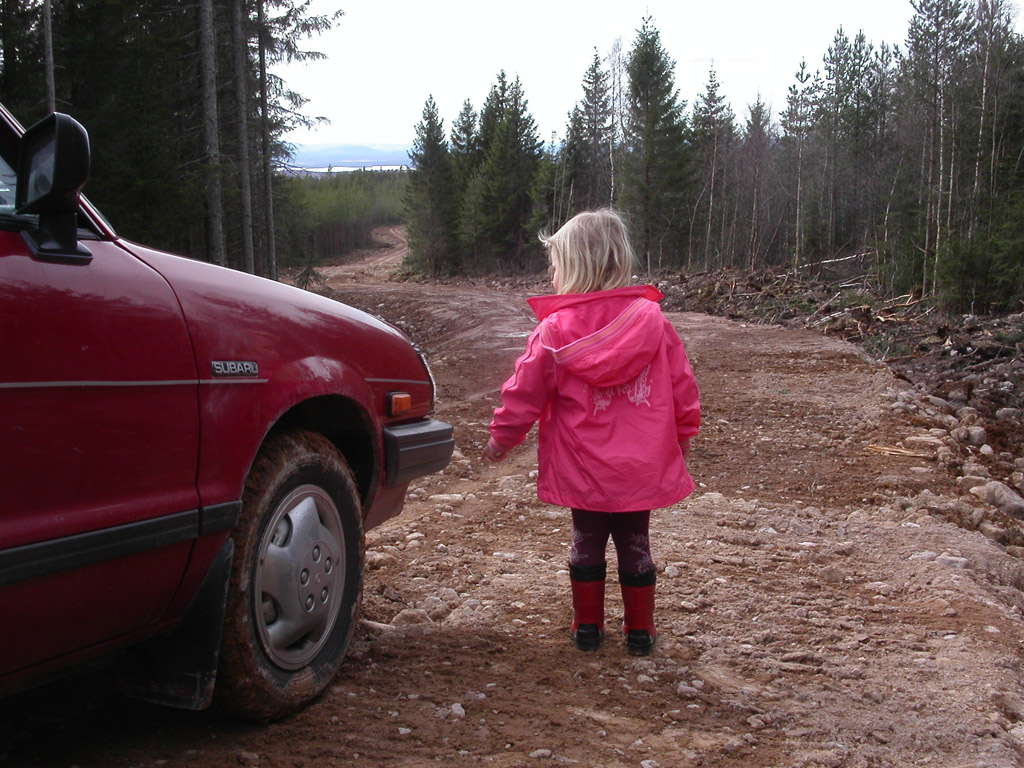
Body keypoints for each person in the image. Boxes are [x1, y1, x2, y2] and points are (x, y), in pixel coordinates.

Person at [483, 209, 700, 656]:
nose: (552, 275)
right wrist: (683, 436)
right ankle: (640, 631)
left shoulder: (554, 330)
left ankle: (587, 627)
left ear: (574, 267)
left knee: (586, 540)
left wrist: (503, 438)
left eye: (555, 265)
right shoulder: (653, 323)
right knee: (635, 542)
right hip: (640, 466)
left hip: (583, 465)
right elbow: (682, 387)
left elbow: (524, 392)